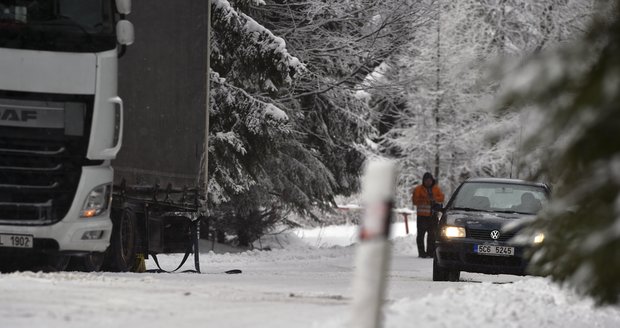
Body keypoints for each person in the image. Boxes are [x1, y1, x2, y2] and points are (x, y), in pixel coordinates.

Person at [412, 172, 445, 258]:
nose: (428, 182)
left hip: (433, 216)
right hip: (422, 216)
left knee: (432, 235)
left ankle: (430, 252)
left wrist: (434, 198)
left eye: (429, 180)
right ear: (423, 181)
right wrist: (425, 199)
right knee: (420, 236)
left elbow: (441, 198)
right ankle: (422, 253)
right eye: (426, 180)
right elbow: (415, 201)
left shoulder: (436, 189)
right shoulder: (418, 189)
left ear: (432, 180)